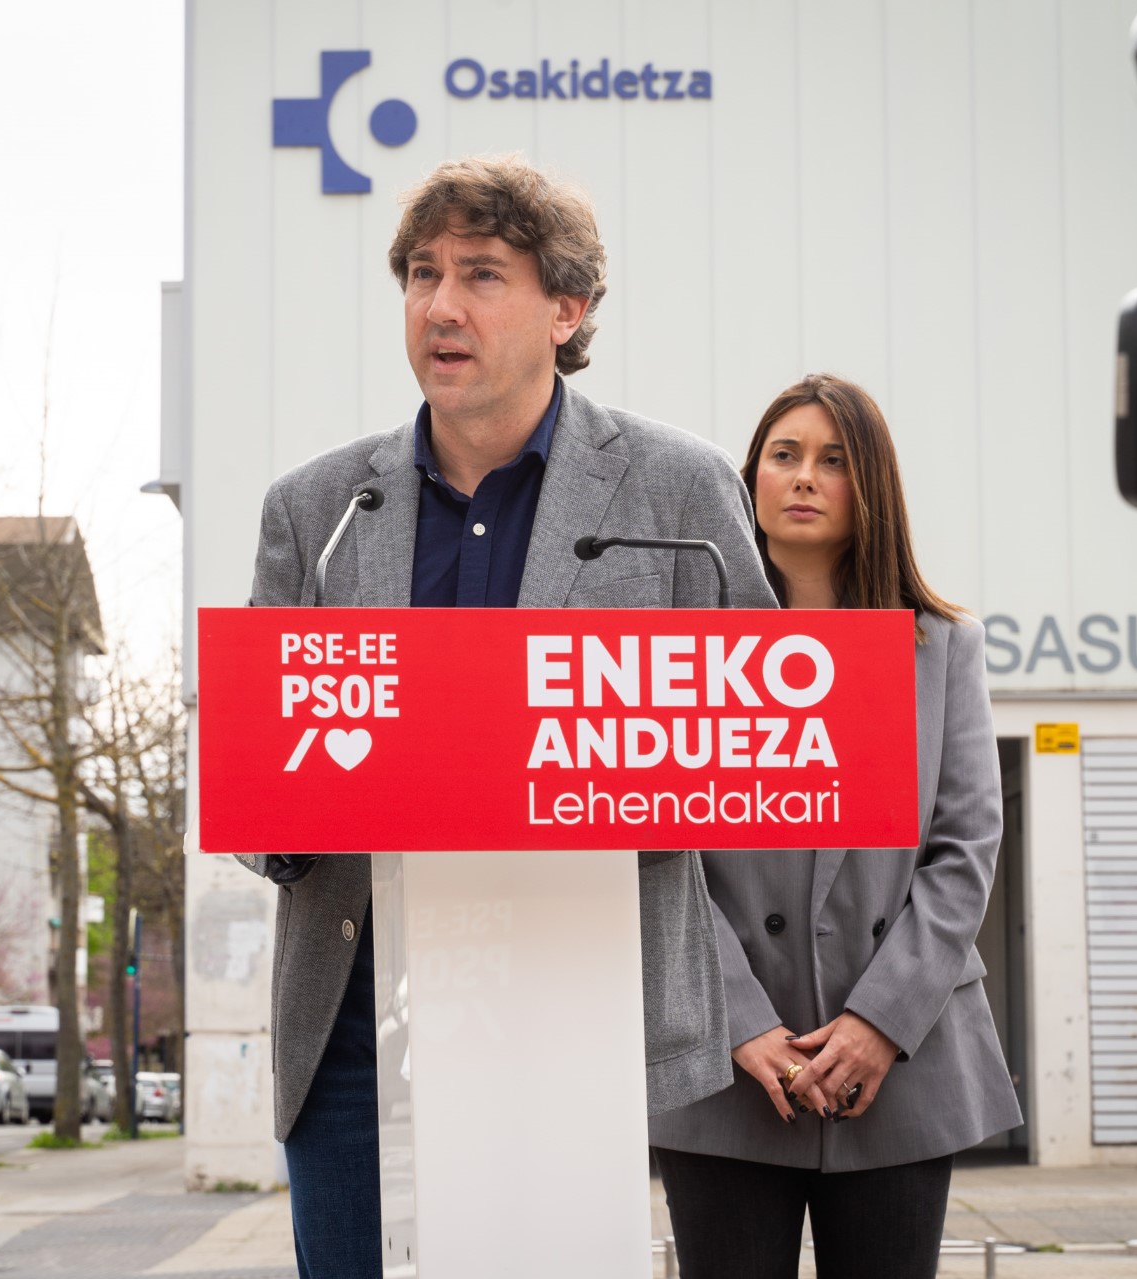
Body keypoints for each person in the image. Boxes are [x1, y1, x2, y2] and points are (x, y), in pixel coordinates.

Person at [237, 154, 775, 1278]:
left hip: (586, 1000)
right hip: (354, 1020)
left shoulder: (679, 488)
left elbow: (755, 747)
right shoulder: (314, 511)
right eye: (421, 274)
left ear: (566, 308)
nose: (441, 305)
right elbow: (259, 792)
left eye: (482, 274)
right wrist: (291, 802)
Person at [649, 374, 1021, 1279]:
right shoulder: (683, 645)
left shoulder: (943, 645)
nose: (804, 477)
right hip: (729, 1070)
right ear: (750, 481)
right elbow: (660, 851)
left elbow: (964, 850)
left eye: (833, 459)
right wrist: (737, 1020)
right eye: (784, 455)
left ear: (872, 489)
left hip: (905, 1057)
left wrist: (877, 1023)